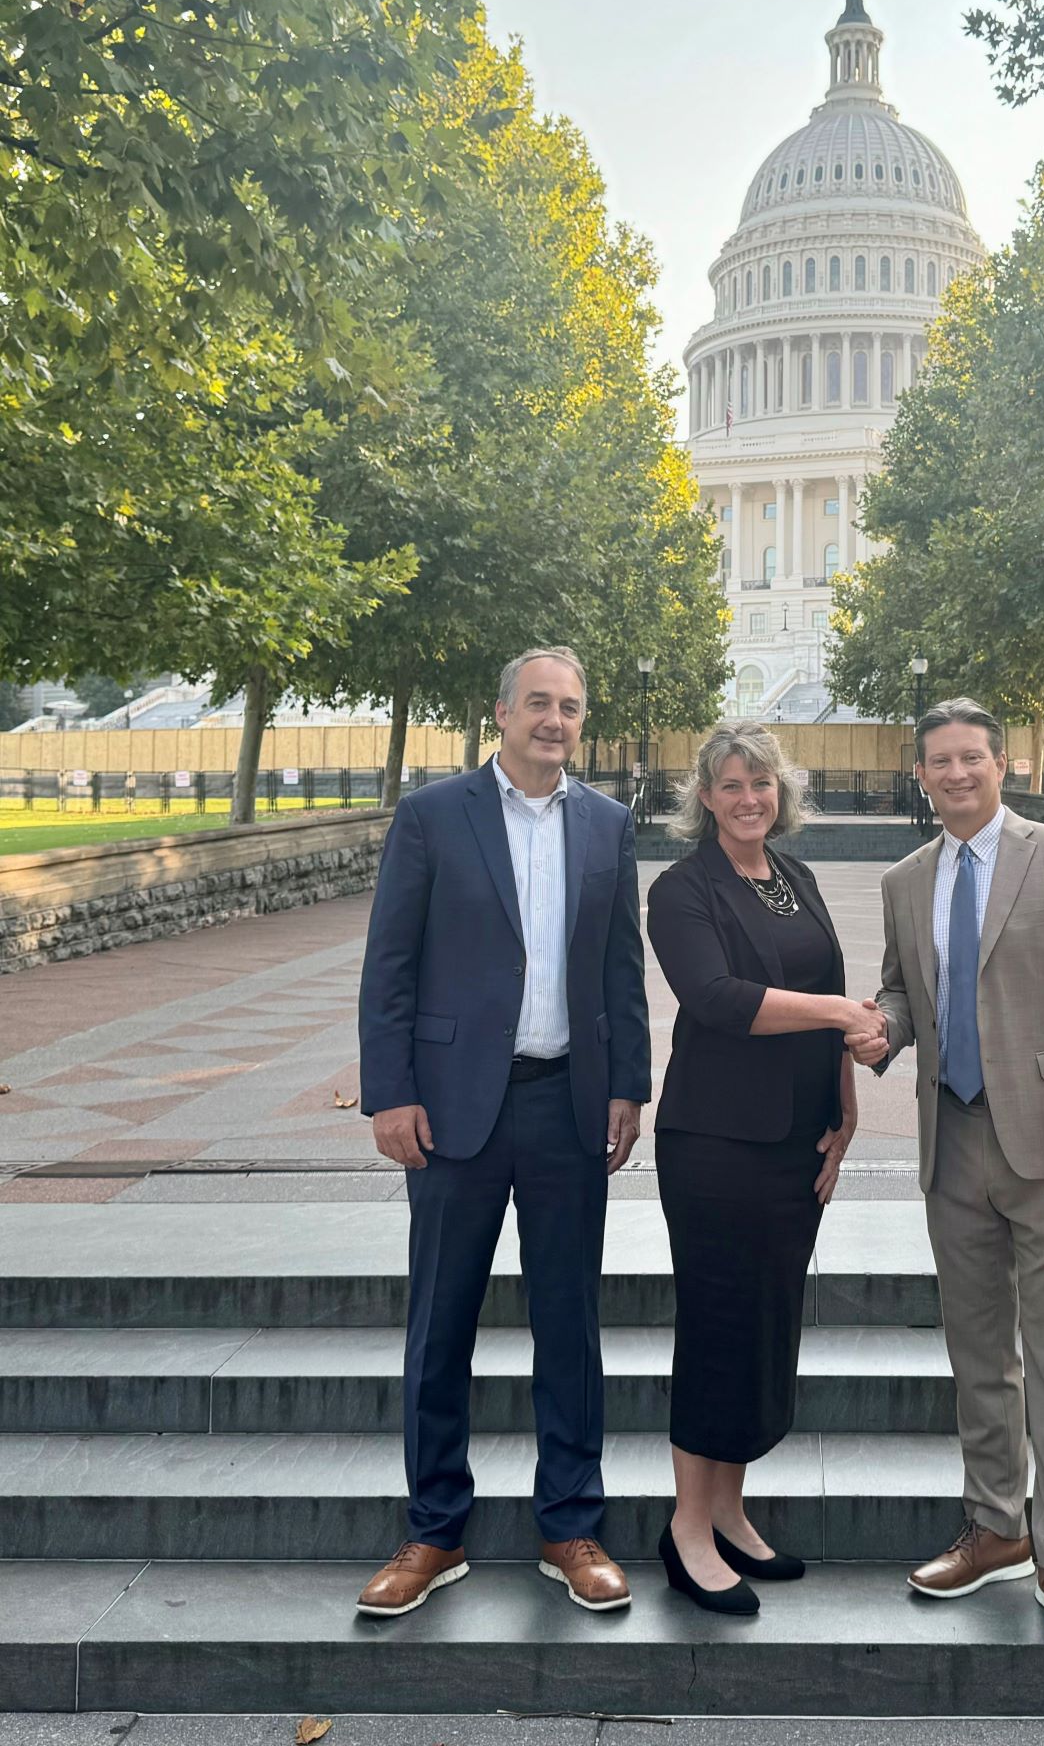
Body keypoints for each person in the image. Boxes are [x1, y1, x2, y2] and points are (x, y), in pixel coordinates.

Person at [355, 647, 650, 1619]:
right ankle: (434, 1529)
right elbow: (390, 965)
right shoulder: (433, 815)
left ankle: (570, 1524)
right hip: (451, 1108)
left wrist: (628, 1088)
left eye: (570, 705)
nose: (554, 720)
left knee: (570, 1320)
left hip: (569, 1103)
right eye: (538, 703)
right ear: (502, 712)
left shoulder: (608, 824)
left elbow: (619, 969)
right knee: (441, 1319)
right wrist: (389, 1092)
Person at [847, 697, 1044, 1642]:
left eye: (971, 758)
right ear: (921, 773)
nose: (956, 774)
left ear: (1001, 764)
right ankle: (993, 1527)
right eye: (939, 761)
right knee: (978, 1353)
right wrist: (881, 1028)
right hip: (954, 1140)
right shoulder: (904, 879)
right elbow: (904, 986)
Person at [646, 721, 863, 1616]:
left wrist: (846, 1112)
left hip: (795, 1143)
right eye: (731, 786)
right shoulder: (681, 890)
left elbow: (824, 1009)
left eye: (762, 784)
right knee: (720, 1326)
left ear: (783, 794)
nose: (748, 799)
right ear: (704, 798)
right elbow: (718, 1000)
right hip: (717, 1147)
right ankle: (687, 1529)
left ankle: (730, 1511)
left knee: (767, 1323)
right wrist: (845, 1012)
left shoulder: (795, 877)